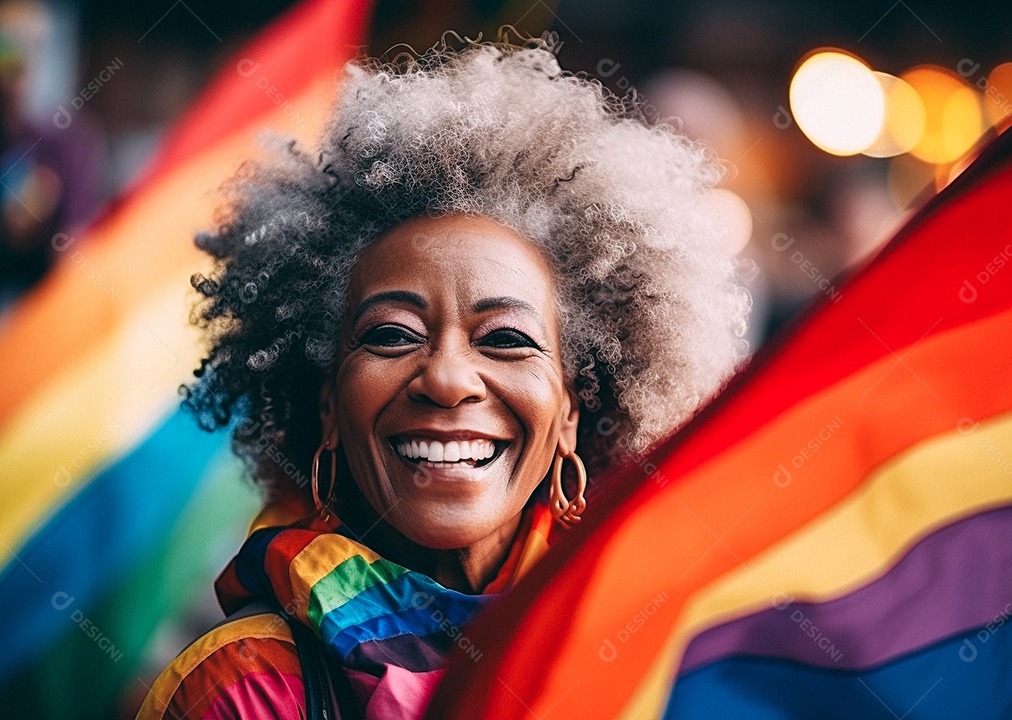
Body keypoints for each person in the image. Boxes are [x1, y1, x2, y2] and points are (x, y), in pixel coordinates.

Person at [137, 32, 750, 719]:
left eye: (508, 340)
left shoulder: (652, 646)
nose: (450, 379)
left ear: (572, 409)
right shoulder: (243, 689)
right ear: (329, 408)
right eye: (393, 335)